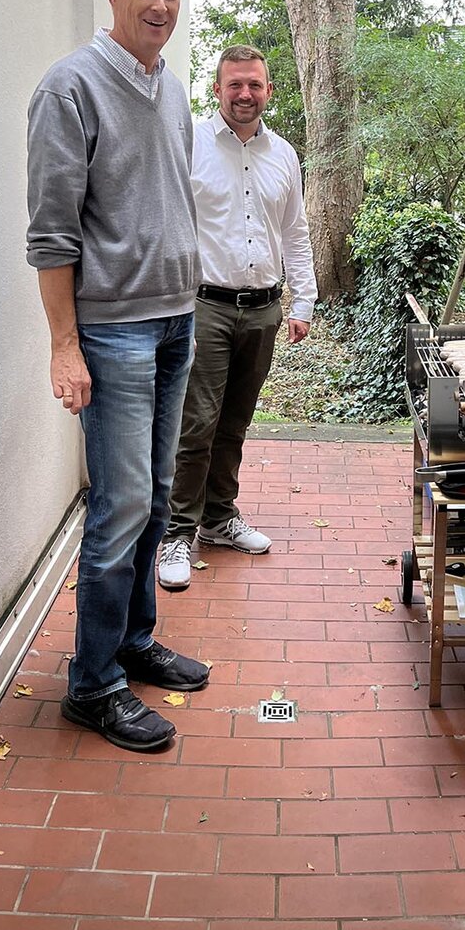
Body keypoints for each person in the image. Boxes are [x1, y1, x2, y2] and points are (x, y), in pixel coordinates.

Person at [26, 0, 210, 753]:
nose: (160, 5)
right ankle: (93, 685)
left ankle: (134, 642)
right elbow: (50, 235)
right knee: (120, 505)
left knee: (157, 496)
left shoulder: (170, 88)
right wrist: (64, 346)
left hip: (176, 321)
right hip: (113, 332)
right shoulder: (70, 87)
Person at [157, 44, 316, 590]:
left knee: (235, 422)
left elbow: (295, 231)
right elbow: (168, 219)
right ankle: (177, 531)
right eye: (234, 85)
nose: (244, 94)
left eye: (254, 84)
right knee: (196, 423)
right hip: (205, 306)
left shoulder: (284, 155)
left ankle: (219, 517)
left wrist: (302, 301)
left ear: (268, 90)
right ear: (218, 90)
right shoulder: (191, 143)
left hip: (263, 308)